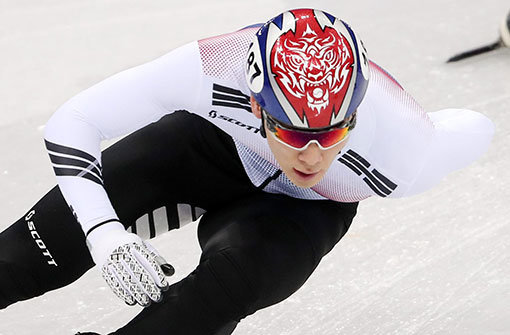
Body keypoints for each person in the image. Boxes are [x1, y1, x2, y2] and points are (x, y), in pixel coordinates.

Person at [0, 8, 494, 335]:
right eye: (294, 132)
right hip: (206, 149)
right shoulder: (215, 64)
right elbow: (74, 121)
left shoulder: (405, 150)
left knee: (225, 288)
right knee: (31, 250)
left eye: (334, 132)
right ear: (257, 104)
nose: (312, 156)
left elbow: (474, 127)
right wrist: (103, 232)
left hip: (307, 210)